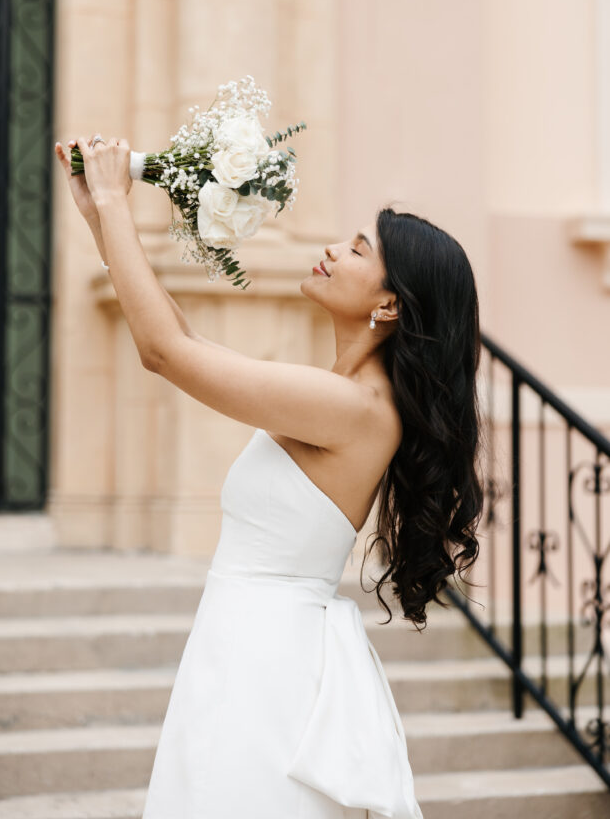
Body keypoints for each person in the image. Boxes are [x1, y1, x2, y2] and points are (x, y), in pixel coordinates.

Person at [55, 134, 484, 819]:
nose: (332, 251)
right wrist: (100, 220)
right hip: (244, 644)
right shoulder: (340, 394)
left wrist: (113, 201)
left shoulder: (352, 407)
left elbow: (163, 354)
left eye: (356, 250)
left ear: (391, 306)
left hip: (265, 665)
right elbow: (183, 338)